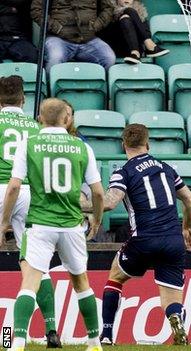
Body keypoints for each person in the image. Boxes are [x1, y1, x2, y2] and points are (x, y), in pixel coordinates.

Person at [0, 98, 104, 351]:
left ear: (39, 119)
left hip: (40, 222)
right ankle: (94, 343)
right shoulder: (81, 146)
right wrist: (97, 219)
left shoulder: (30, 143)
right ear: (66, 119)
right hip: (71, 224)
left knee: (30, 281)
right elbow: (98, 193)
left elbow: (14, 186)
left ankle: (18, 343)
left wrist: (4, 222)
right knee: (82, 283)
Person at [80, 124, 191, 345]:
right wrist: (186, 226)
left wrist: (80, 204)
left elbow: (110, 202)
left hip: (144, 239)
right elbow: (190, 200)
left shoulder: (124, 172)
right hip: (173, 240)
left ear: (123, 145)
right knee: (171, 297)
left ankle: (106, 335)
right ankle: (175, 319)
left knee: (115, 276)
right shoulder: (166, 168)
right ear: (148, 143)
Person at [0, 76, 62, 348]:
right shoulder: (36, 127)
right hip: (28, 191)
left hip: (2, 185)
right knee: (36, 265)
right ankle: (51, 328)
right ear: (23, 99)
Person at [31, 0, 116, 72]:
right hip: (58, 38)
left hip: (88, 38)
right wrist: (57, 28)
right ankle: (50, 90)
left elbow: (108, 8)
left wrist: (96, 26)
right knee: (55, 58)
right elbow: (36, 10)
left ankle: (93, 89)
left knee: (108, 58)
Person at [111, 0, 169, 64]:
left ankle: (135, 53)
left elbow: (147, 32)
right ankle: (150, 47)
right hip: (116, 48)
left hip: (138, 50)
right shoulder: (109, 11)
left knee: (129, 14)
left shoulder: (140, 12)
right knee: (127, 16)